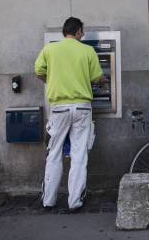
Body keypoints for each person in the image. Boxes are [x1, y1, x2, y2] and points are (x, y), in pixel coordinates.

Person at [35, 17, 104, 212]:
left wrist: (53, 80)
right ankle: (75, 202)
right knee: (79, 155)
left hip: (59, 108)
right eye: (82, 31)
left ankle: (48, 201)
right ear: (79, 31)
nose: (83, 34)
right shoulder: (88, 50)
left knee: (54, 154)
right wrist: (102, 81)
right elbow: (97, 78)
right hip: (82, 108)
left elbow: (38, 71)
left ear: (64, 32)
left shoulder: (50, 49)